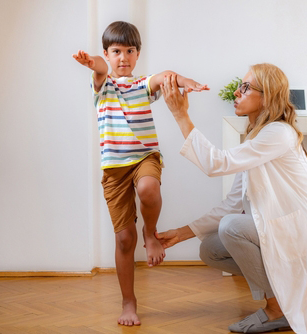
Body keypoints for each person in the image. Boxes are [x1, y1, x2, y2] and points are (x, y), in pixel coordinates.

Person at [157, 64, 307, 334]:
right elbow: (232, 203)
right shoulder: (258, 137)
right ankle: (283, 301)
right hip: (288, 232)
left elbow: (215, 164)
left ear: (266, 97)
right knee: (211, 248)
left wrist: (181, 115)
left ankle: (276, 309)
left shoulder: (277, 133)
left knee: (232, 227)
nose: (236, 92)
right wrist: (180, 234)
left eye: (245, 87)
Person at [72, 21, 208, 326]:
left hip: (145, 157)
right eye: (116, 51)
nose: (123, 58)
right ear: (107, 54)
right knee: (123, 240)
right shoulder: (102, 84)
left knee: (149, 189)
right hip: (114, 170)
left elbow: (164, 77)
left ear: (137, 54)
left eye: (130, 51)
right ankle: (128, 301)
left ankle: (151, 232)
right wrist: (90, 61)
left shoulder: (141, 84)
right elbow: (97, 67)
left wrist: (187, 82)